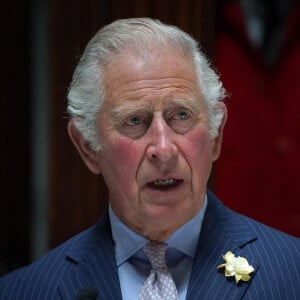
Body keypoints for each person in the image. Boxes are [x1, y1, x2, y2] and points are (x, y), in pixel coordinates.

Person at [0, 17, 299, 300]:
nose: (164, 148)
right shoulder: (24, 291)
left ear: (215, 134)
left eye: (181, 115)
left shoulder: (292, 273)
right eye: (134, 121)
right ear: (87, 147)